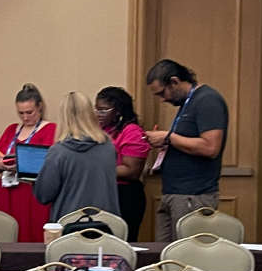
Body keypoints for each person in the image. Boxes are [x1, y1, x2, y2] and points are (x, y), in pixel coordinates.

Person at [143, 59, 228, 242]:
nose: (162, 99)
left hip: (193, 196)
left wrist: (169, 137)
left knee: (185, 256)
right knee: (165, 256)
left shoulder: (207, 101)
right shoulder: (187, 104)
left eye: (161, 93)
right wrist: (167, 142)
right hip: (174, 193)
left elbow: (210, 147)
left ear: (174, 82)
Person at [0, 84, 59, 241]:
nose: (25, 118)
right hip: (8, 190)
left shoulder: (51, 129)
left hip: (32, 192)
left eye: (29, 112)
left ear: (39, 107)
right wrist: (1, 165)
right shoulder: (11, 130)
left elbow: (49, 164)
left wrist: (21, 166)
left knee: (32, 235)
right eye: (21, 113)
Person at [33, 92, 119, 222]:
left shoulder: (58, 152)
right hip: (107, 224)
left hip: (70, 225)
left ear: (63, 117)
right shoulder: (108, 147)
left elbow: (44, 195)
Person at [95, 86, 152, 237]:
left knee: (123, 242)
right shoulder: (103, 129)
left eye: (104, 110)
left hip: (125, 196)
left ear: (118, 110)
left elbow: (131, 171)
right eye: (96, 110)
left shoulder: (132, 131)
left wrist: (95, 170)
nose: (98, 114)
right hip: (105, 192)